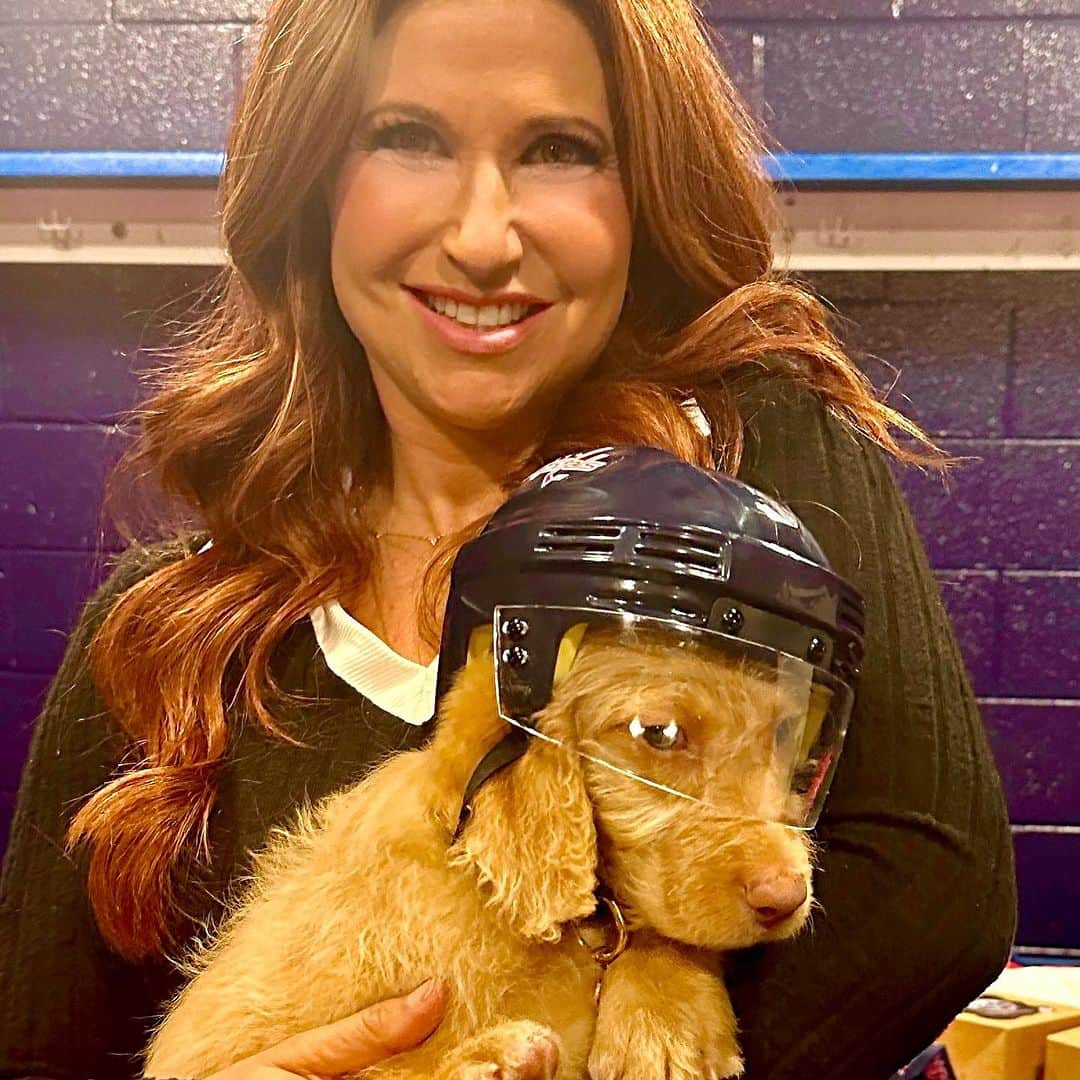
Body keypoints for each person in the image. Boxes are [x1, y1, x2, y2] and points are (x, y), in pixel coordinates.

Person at [0, 0, 1016, 1077]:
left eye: (559, 150)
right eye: (408, 138)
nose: (483, 240)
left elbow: (930, 896)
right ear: (311, 185)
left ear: (644, 196)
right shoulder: (170, 626)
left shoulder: (751, 479)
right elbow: (42, 1045)